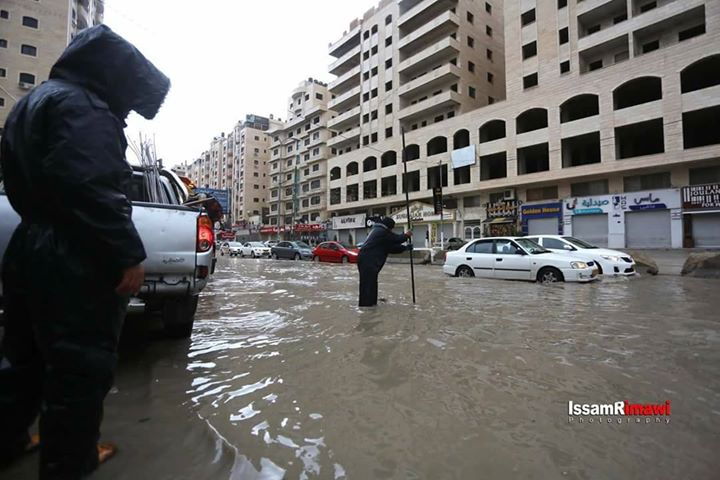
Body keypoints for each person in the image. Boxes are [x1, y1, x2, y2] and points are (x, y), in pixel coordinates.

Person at [0, 25, 170, 478]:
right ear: (112, 77)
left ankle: (9, 439)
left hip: (29, 245)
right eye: (128, 102)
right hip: (74, 254)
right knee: (80, 366)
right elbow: (93, 188)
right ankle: (70, 462)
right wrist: (127, 254)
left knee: (23, 356)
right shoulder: (85, 108)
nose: (128, 115)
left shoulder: (34, 101)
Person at [357, 217, 412, 307]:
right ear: (389, 227)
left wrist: (405, 248)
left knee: (371, 284)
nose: (391, 230)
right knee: (368, 284)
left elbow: (390, 248)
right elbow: (397, 239)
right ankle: (366, 306)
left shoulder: (381, 232)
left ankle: (371, 304)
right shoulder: (381, 231)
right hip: (367, 260)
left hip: (367, 260)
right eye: (391, 229)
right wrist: (406, 235)